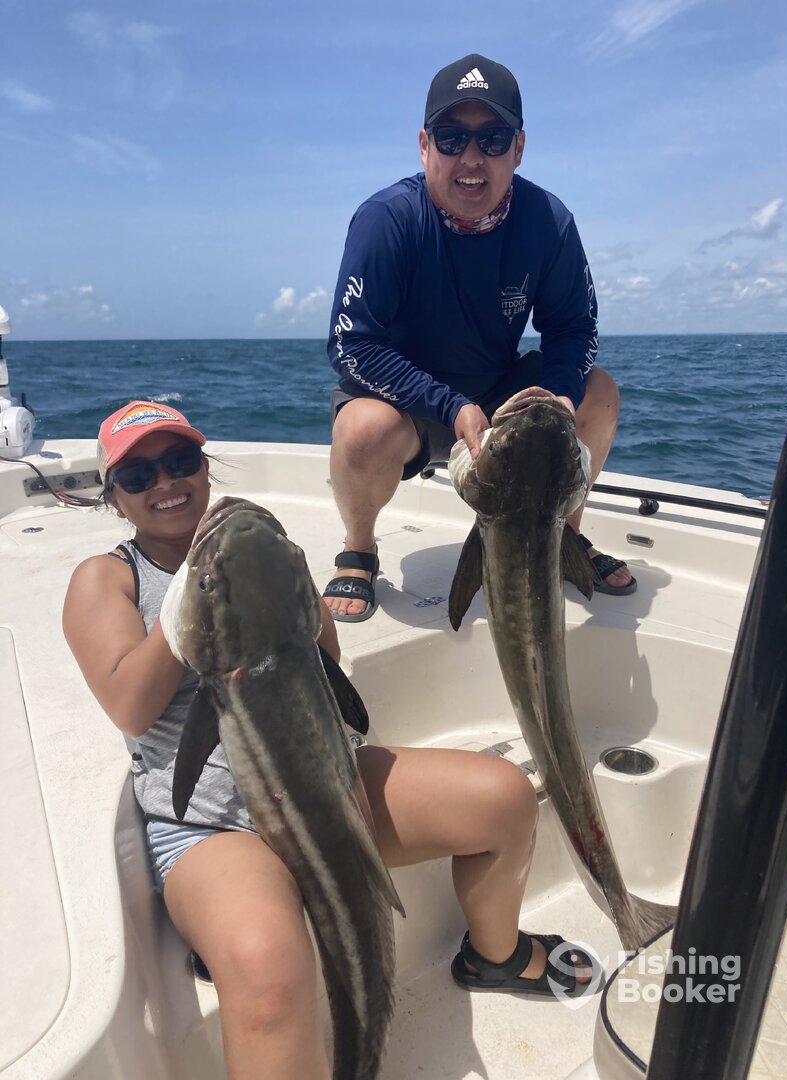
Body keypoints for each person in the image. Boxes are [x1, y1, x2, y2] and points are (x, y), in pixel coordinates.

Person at [63, 400, 598, 1079]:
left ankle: (494, 956)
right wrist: (200, 602)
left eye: (179, 461)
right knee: (268, 967)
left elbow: (331, 660)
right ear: (113, 498)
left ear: (203, 467)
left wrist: (279, 579)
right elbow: (131, 707)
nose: (164, 482)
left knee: (503, 797)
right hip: (209, 826)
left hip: (325, 782)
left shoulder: (256, 546)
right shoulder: (107, 579)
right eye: (137, 475)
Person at [323, 53, 637, 622]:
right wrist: (451, 405)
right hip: (408, 404)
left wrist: (562, 397)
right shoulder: (387, 220)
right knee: (361, 429)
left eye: (492, 139)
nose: (471, 158)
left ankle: (564, 537)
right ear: (424, 146)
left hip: (498, 391)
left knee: (600, 393)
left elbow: (571, 327)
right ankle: (359, 548)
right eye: (452, 137)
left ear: (519, 148)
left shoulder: (549, 220)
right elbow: (352, 345)